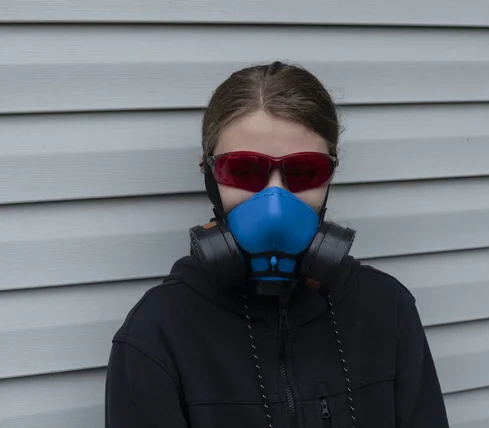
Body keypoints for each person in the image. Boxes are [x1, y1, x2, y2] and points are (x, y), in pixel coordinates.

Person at [105, 61, 449, 428]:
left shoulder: (386, 309)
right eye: (244, 170)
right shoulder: (157, 333)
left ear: (329, 176)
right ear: (209, 175)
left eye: (303, 171)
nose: (274, 201)